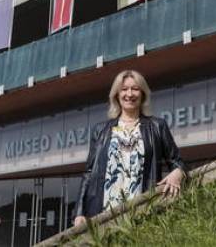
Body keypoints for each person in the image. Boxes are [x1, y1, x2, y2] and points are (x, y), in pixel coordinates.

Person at [73, 70, 187, 227]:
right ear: (116, 95)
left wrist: (177, 173)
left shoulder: (157, 126)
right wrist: (79, 212)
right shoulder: (101, 130)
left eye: (135, 88)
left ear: (143, 94)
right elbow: (89, 172)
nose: (130, 94)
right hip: (104, 214)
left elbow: (177, 162)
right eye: (124, 89)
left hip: (142, 212)